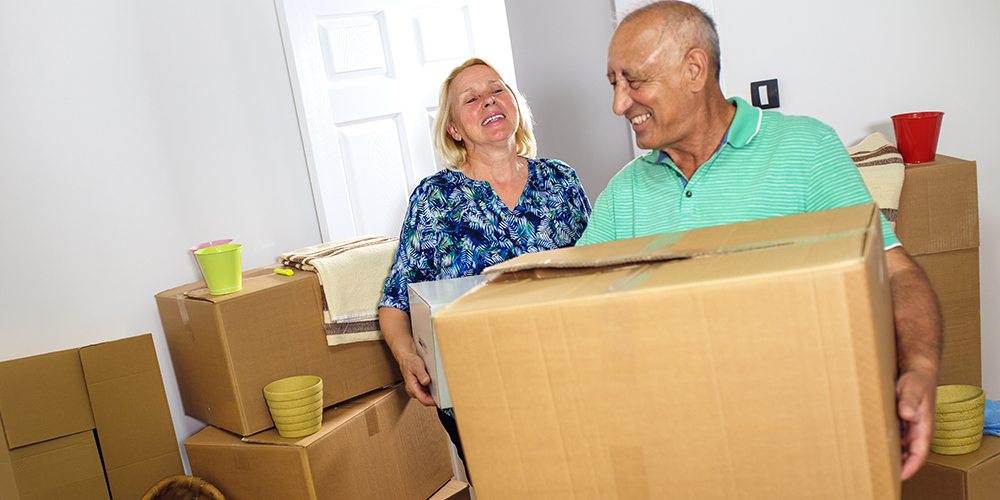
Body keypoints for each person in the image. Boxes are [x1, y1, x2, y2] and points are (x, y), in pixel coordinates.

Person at [581, 1, 942, 480]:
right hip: (677, 452)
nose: (619, 104)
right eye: (613, 84)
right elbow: (572, 301)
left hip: (801, 441)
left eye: (634, 81)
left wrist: (920, 369)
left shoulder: (806, 150)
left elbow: (891, 269)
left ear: (694, 69)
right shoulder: (624, 192)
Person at [379, 58, 592, 466]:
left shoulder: (561, 180)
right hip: (478, 387)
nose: (488, 101)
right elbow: (396, 299)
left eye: (497, 90)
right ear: (454, 130)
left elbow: (594, 269)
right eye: (471, 99)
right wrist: (408, 357)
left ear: (514, 104)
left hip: (568, 372)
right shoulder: (435, 197)